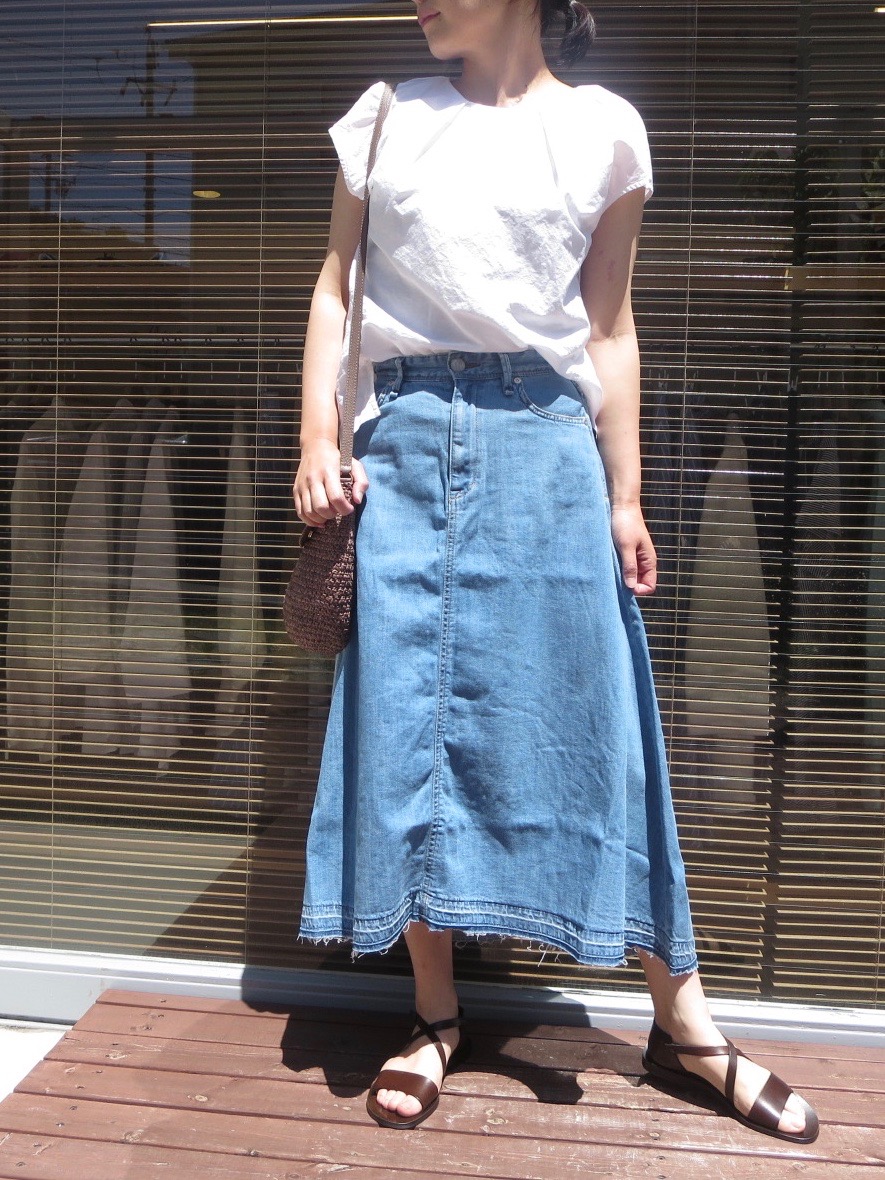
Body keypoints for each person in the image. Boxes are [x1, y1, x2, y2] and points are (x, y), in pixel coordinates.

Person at [292, 0, 819, 1144]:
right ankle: (436, 1014)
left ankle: (684, 1021)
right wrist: (316, 436)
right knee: (407, 728)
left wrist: (626, 496)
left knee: (601, 726)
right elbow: (337, 282)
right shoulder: (383, 118)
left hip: (545, 450)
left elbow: (610, 327)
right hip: (404, 451)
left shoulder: (604, 131)